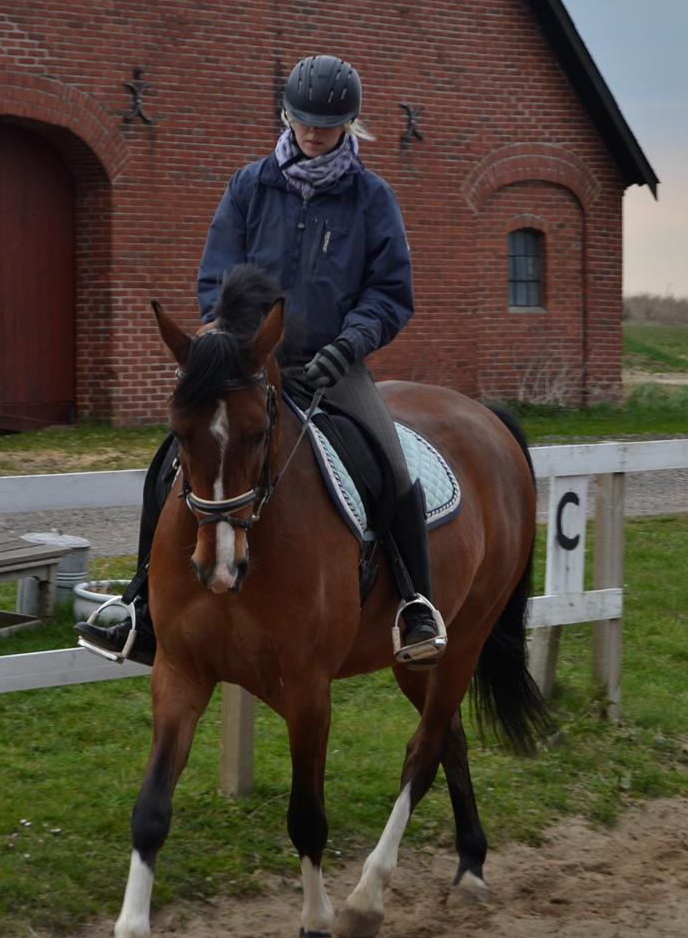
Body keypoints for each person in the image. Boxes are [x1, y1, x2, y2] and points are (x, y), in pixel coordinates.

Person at [75, 53, 446, 669]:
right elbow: (216, 275)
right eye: (303, 120)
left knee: (390, 465)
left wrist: (347, 346)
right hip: (249, 362)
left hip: (334, 363)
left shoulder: (372, 198)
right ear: (287, 114)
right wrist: (232, 344)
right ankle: (140, 606)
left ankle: (414, 605)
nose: (313, 133)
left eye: (327, 125)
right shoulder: (250, 185)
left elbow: (389, 293)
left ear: (349, 125)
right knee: (169, 465)